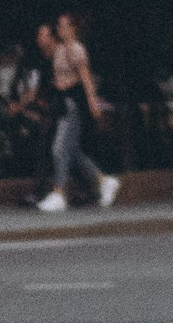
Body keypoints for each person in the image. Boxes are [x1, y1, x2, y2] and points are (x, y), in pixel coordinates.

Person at [38, 13, 120, 213]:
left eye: (63, 26)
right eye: (58, 26)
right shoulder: (59, 50)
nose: (60, 29)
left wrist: (93, 104)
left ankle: (59, 192)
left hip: (72, 106)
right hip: (62, 104)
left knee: (59, 148)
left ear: (73, 29)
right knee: (72, 151)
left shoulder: (76, 49)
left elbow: (85, 78)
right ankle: (104, 181)